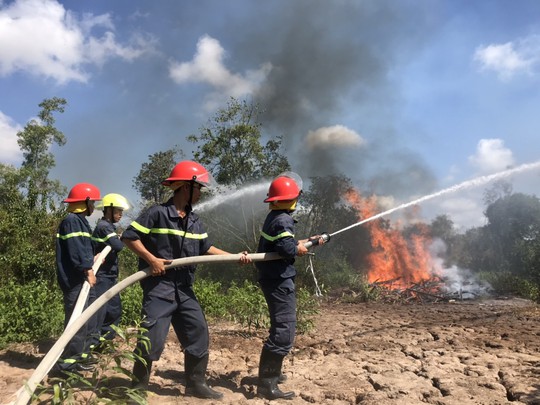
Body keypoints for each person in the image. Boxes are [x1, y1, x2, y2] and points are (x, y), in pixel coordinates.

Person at [121, 160, 251, 400]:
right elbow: (129, 236)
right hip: (159, 287)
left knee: (198, 332)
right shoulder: (157, 214)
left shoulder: (194, 221)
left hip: (184, 288)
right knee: (151, 337)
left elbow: (205, 247)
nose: (201, 193)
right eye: (198, 188)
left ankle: (195, 384)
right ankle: (137, 388)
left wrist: (234, 257)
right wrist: (152, 259)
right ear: (185, 187)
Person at [255, 172, 325, 400]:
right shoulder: (284, 219)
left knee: (281, 328)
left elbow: (282, 242)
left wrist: (306, 241)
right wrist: (299, 249)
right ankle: (267, 384)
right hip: (279, 281)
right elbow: (286, 248)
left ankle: (272, 374)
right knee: (284, 331)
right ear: (291, 198)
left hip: (274, 279)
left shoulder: (274, 217)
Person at [51, 182, 101, 377]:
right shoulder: (72, 221)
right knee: (76, 324)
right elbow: (76, 251)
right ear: (86, 202)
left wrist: (94, 259)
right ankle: (65, 367)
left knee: (85, 322)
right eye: (93, 203)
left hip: (80, 280)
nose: (94, 207)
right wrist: (88, 270)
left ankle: (77, 360)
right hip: (75, 281)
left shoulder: (79, 221)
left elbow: (83, 248)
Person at [90, 193, 130, 350]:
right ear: (109, 210)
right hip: (102, 276)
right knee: (100, 311)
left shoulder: (109, 227)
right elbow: (119, 246)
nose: (121, 214)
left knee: (113, 310)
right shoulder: (104, 227)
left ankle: (104, 342)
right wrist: (121, 239)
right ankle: (93, 345)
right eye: (118, 211)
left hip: (110, 276)